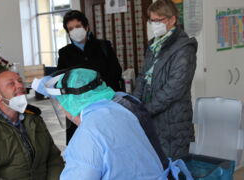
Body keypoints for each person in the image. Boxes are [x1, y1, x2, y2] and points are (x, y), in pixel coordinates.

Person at [32, 68, 193, 180]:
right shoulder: (125, 107)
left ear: (70, 101)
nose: (61, 107)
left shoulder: (89, 134)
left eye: (61, 102)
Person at [0, 70, 64, 180]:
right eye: (11, 83)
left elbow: (53, 158)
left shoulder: (34, 119)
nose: (20, 85)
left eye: (20, 81)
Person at [133, 0, 197, 160]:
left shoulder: (184, 48)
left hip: (173, 122)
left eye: (158, 20)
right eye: (151, 20)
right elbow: (143, 77)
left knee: (173, 169)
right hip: (151, 119)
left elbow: (174, 88)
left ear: (172, 20)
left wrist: (145, 110)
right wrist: (133, 104)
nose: (154, 25)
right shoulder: (154, 46)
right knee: (155, 166)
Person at [58, 10, 123, 144]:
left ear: (86, 27)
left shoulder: (103, 46)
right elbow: (62, 83)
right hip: (79, 110)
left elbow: (116, 72)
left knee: (109, 142)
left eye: (78, 26)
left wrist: (97, 93)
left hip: (105, 104)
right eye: (70, 29)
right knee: (85, 145)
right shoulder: (65, 53)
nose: (75, 31)